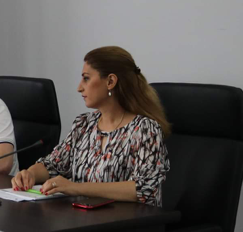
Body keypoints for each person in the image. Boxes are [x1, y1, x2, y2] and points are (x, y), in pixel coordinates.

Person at [12, 46, 170, 206]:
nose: (79, 87)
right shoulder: (83, 124)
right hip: (83, 216)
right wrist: (30, 174)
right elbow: (54, 164)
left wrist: (75, 188)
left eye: (86, 78)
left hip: (130, 219)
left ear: (110, 81)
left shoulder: (145, 129)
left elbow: (143, 188)